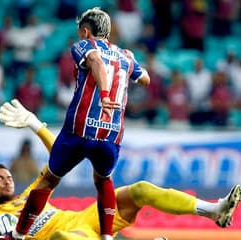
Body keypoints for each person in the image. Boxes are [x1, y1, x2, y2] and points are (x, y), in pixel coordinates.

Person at [0, 99, 241, 240]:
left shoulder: (32, 194)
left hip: (88, 220)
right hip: (66, 239)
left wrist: (35, 123)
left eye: (7, 176)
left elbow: (60, 160)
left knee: (141, 188)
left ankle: (213, 210)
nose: (6, 179)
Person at [12, 7, 150, 240]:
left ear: (86, 32)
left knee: (49, 179)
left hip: (78, 132)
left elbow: (95, 60)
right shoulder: (127, 56)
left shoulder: (84, 47)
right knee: (103, 180)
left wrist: (105, 95)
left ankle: (18, 235)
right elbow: (144, 79)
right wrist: (132, 69)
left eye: (79, 33)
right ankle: (107, 236)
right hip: (109, 136)